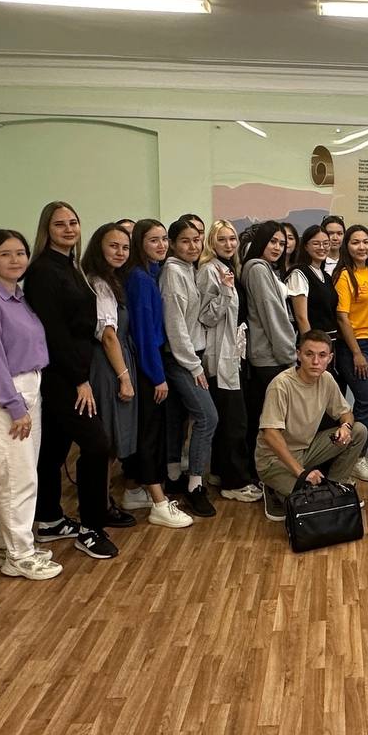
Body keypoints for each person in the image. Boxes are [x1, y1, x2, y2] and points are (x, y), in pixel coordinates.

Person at [24, 201, 121, 560]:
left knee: (53, 448)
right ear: (46, 230)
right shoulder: (43, 271)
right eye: (60, 224)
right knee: (97, 445)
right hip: (62, 374)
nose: (68, 229)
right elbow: (53, 332)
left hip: (75, 369)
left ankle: (49, 519)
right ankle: (92, 528)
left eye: (73, 222)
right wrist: (80, 380)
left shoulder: (71, 265)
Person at [0, 229, 61, 580]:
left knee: (17, 475)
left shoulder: (17, 297)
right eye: (5, 254)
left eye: (20, 253)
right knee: (18, 477)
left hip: (27, 388)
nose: (16, 260)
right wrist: (14, 406)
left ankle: (6, 547)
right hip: (0, 394)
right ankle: (20, 554)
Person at [121, 219, 194, 529]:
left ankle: (135, 490)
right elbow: (144, 335)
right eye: (154, 240)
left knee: (152, 432)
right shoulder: (140, 279)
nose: (162, 245)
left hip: (152, 364)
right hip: (148, 368)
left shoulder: (152, 273)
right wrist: (157, 376)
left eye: (164, 239)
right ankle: (159, 504)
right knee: (150, 435)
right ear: (140, 243)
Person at [254, 330, 368, 522]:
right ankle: (273, 488)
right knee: (308, 500)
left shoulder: (327, 379)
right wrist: (301, 474)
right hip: (274, 460)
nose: (316, 361)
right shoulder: (281, 384)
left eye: (322, 355)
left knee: (358, 431)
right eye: (309, 354)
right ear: (298, 355)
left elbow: (346, 413)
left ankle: (335, 486)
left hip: (306, 451)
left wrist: (345, 427)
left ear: (330, 358)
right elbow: (270, 434)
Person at [198, 219, 264, 502]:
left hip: (235, 354)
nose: (228, 244)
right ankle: (234, 483)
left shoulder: (230, 268)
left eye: (232, 239)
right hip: (220, 356)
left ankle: (219, 472)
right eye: (222, 239)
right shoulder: (208, 270)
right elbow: (206, 316)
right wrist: (225, 292)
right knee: (234, 422)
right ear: (211, 242)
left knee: (230, 419)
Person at [160, 217, 220, 518]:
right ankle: (195, 485)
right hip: (181, 359)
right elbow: (176, 327)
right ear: (172, 244)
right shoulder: (173, 273)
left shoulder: (188, 269)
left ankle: (173, 476)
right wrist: (195, 366)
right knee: (208, 417)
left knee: (177, 417)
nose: (193, 246)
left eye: (197, 240)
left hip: (188, 356)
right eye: (185, 241)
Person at [80, 224, 140, 511]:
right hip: (108, 366)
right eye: (113, 246)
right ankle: (99, 505)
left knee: (111, 441)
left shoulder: (111, 280)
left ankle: (102, 501)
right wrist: (124, 377)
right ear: (98, 247)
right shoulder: (100, 284)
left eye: (125, 247)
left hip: (116, 361)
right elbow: (108, 336)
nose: (120, 252)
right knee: (107, 439)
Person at [333, 224, 368, 481]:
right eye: (355, 242)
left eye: (366, 242)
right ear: (347, 246)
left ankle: (361, 452)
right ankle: (355, 458)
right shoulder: (345, 275)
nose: (362, 247)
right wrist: (356, 352)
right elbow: (342, 317)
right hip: (356, 346)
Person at [241, 220, 298, 459]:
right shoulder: (257, 269)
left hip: (271, 354)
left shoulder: (265, 267)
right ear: (261, 241)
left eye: (282, 244)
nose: (277, 247)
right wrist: (290, 356)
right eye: (272, 241)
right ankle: (266, 468)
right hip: (270, 357)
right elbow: (272, 315)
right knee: (270, 421)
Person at [287, 225, 339, 362]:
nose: (322, 247)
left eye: (326, 243)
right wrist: (310, 350)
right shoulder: (299, 273)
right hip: (314, 348)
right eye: (316, 243)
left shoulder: (326, 276)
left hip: (329, 343)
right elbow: (301, 317)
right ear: (305, 246)